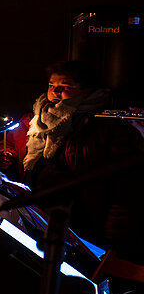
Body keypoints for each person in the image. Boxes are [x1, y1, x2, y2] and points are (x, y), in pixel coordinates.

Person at [12, 61, 144, 257]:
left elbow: (125, 185)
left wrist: (116, 232)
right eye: (51, 85)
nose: (55, 91)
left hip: (83, 224)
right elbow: (17, 139)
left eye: (65, 87)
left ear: (87, 90)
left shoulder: (104, 124)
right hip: (44, 217)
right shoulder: (40, 116)